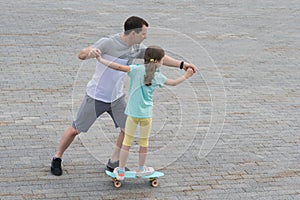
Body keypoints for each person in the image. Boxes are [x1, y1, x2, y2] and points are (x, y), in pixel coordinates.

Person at [51, 16, 197, 176]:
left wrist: (182, 64)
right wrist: (90, 52)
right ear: (133, 33)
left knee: (126, 130)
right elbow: (81, 54)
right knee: (75, 130)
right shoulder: (108, 43)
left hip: (117, 99)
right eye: (143, 34)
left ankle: (113, 162)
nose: (145, 37)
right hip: (96, 97)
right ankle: (57, 157)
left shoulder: (136, 47)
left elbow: (158, 57)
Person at [96, 46, 194, 180]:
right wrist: (186, 75)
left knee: (127, 141)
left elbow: (118, 67)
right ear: (159, 61)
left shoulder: (136, 70)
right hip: (146, 115)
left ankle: (121, 170)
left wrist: (101, 59)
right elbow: (173, 83)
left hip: (132, 114)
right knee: (144, 142)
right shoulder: (158, 76)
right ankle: (141, 169)